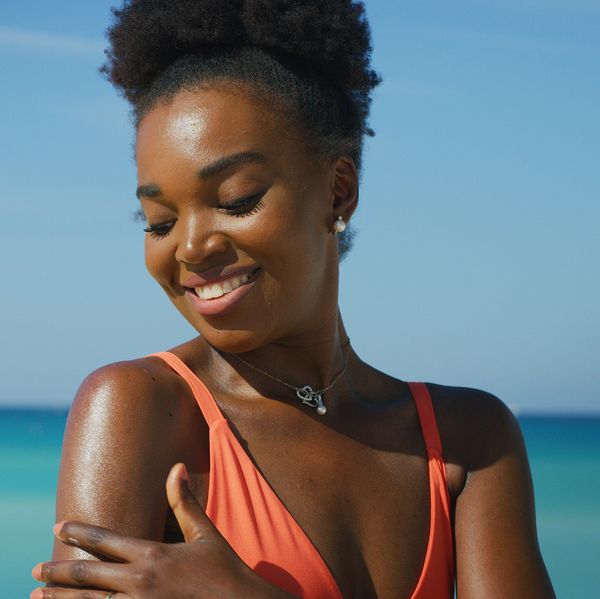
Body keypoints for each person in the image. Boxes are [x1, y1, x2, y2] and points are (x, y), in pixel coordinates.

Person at [30, 1, 557, 598]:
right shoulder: (141, 409)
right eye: (158, 221)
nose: (191, 247)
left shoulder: (471, 441)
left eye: (236, 199)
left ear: (338, 192)